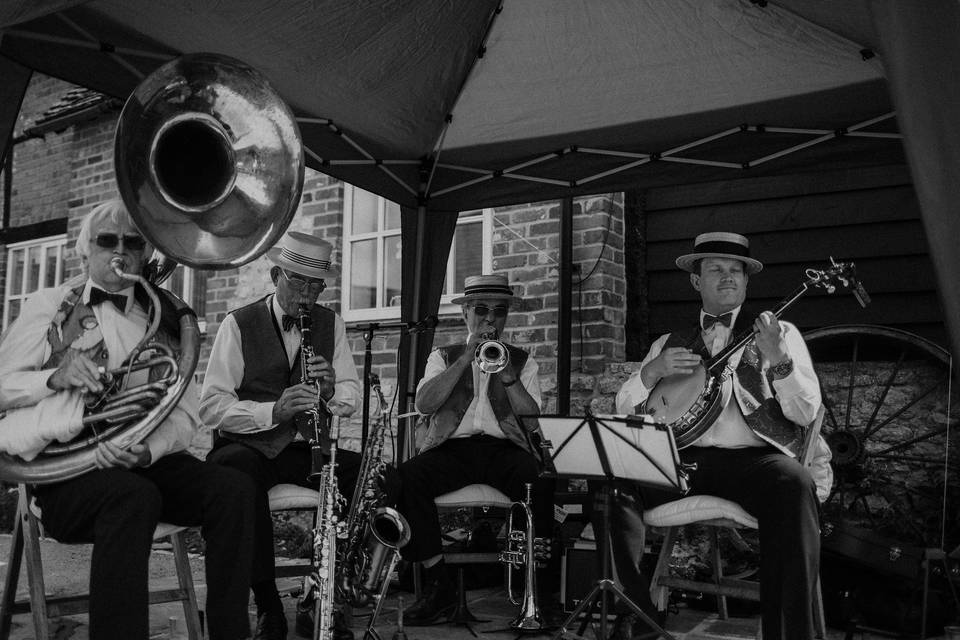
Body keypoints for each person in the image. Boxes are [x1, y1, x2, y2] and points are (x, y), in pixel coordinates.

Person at [0, 199, 256, 640]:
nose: (120, 250)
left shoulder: (165, 321)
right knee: (132, 498)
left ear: (146, 255)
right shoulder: (49, 305)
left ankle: (230, 633)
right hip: (68, 471)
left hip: (142, 461)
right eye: (107, 241)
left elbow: (185, 417)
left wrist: (149, 451)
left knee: (234, 489)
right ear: (85, 252)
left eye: (132, 243)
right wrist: (53, 378)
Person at [612, 232, 827, 640]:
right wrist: (651, 372)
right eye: (716, 269)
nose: (728, 277)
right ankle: (638, 620)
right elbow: (626, 409)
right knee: (612, 487)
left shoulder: (780, 334)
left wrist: (779, 359)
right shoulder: (667, 342)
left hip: (754, 461)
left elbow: (806, 412)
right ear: (696, 281)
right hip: (682, 459)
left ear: (747, 282)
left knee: (796, 484)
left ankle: (792, 634)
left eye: (736, 271)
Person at [200, 231, 364, 640]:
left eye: (316, 285)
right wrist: (271, 410)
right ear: (276, 275)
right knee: (236, 479)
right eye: (298, 282)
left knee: (372, 478)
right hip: (248, 446)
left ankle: (323, 594)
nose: (307, 295)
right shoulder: (237, 324)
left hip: (306, 447)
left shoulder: (331, 324)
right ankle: (268, 604)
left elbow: (350, 394)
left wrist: (329, 392)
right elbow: (211, 407)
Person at [397, 274, 558, 625]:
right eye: (482, 310)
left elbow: (532, 421)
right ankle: (438, 585)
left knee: (541, 480)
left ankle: (539, 590)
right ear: (466, 313)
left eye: (499, 311)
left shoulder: (523, 361)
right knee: (406, 478)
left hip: (504, 449)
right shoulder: (442, 355)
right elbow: (425, 404)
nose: (490, 318)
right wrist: (465, 359)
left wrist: (507, 375)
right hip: (452, 448)